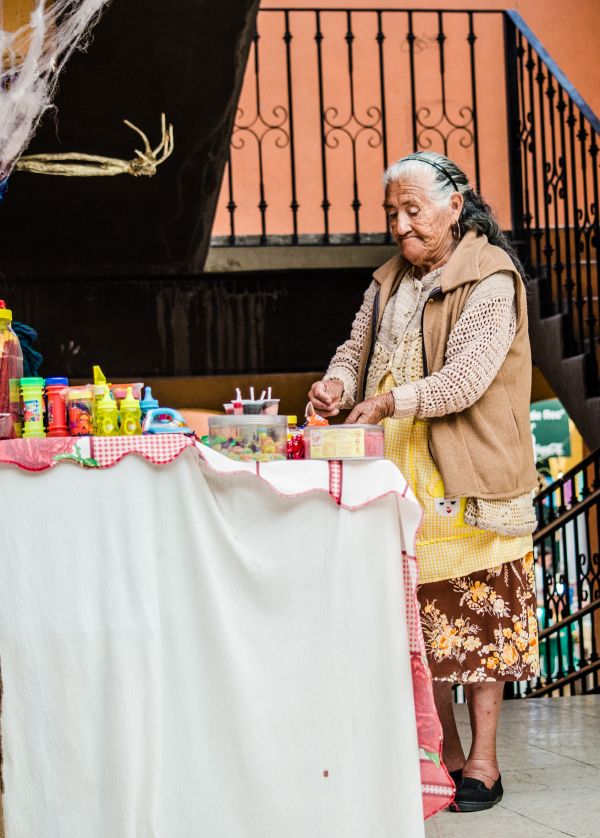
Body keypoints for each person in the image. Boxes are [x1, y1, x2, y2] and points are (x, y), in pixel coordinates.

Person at [308, 151, 540, 814]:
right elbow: (357, 350)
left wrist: (385, 402)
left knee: (479, 627)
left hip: (468, 481)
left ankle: (486, 764)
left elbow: (467, 379)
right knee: (425, 628)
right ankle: (445, 756)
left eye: (414, 210)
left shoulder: (491, 278)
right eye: (393, 213)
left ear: (455, 206)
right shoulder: (388, 282)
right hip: (399, 480)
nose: (402, 226)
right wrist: (336, 385)